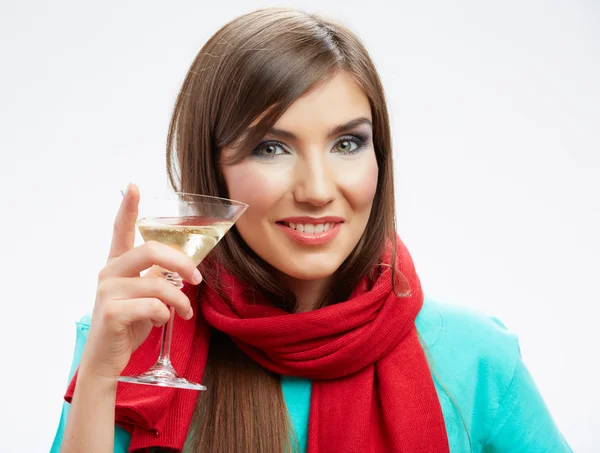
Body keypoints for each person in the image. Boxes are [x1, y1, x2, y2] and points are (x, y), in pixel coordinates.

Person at [52, 7, 572, 453]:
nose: (318, 189)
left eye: (347, 143)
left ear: (380, 158)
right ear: (213, 169)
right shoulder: (125, 338)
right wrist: (99, 378)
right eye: (271, 147)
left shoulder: (477, 358)